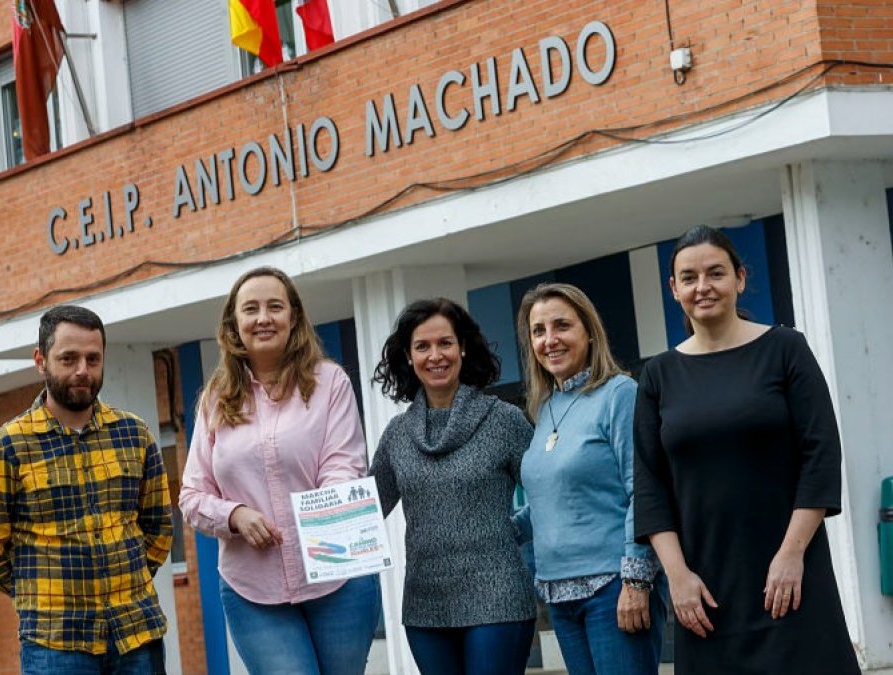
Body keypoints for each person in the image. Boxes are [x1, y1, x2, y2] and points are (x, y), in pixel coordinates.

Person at [633, 225, 860, 673]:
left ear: (739, 278)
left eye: (715, 273)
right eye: (690, 277)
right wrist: (677, 578)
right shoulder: (658, 375)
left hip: (790, 575)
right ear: (674, 289)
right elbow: (649, 484)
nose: (704, 287)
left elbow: (821, 456)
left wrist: (792, 554)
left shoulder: (785, 349)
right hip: (705, 590)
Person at [179, 266, 380, 675]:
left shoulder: (330, 382)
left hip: (336, 579)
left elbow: (344, 465)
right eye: (250, 309)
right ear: (234, 325)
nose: (263, 317)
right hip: (251, 589)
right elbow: (192, 495)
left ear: (294, 318)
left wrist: (321, 519)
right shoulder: (215, 400)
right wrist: (234, 516)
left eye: (275, 306)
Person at [0, 305, 172, 675]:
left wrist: (127, 579)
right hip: (55, 644)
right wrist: (41, 593)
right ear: (40, 360)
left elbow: (159, 528)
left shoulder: (135, 434)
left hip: (137, 635)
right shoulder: (6, 447)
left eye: (93, 359)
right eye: (69, 358)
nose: (82, 370)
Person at [370, 298, 536, 675]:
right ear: (409, 357)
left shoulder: (504, 421)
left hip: (498, 598)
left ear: (462, 346)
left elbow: (551, 495)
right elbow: (365, 510)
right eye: (422, 346)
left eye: (445, 343)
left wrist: (513, 529)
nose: (435, 355)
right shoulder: (397, 435)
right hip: (425, 606)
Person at [513, 283, 665, 675]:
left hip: (613, 589)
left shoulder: (619, 394)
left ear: (589, 331)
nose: (550, 340)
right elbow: (553, 500)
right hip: (557, 594)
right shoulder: (548, 405)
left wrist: (636, 581)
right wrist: (497, 530)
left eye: (562, 325)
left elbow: (643, 490)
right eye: (538, 331)